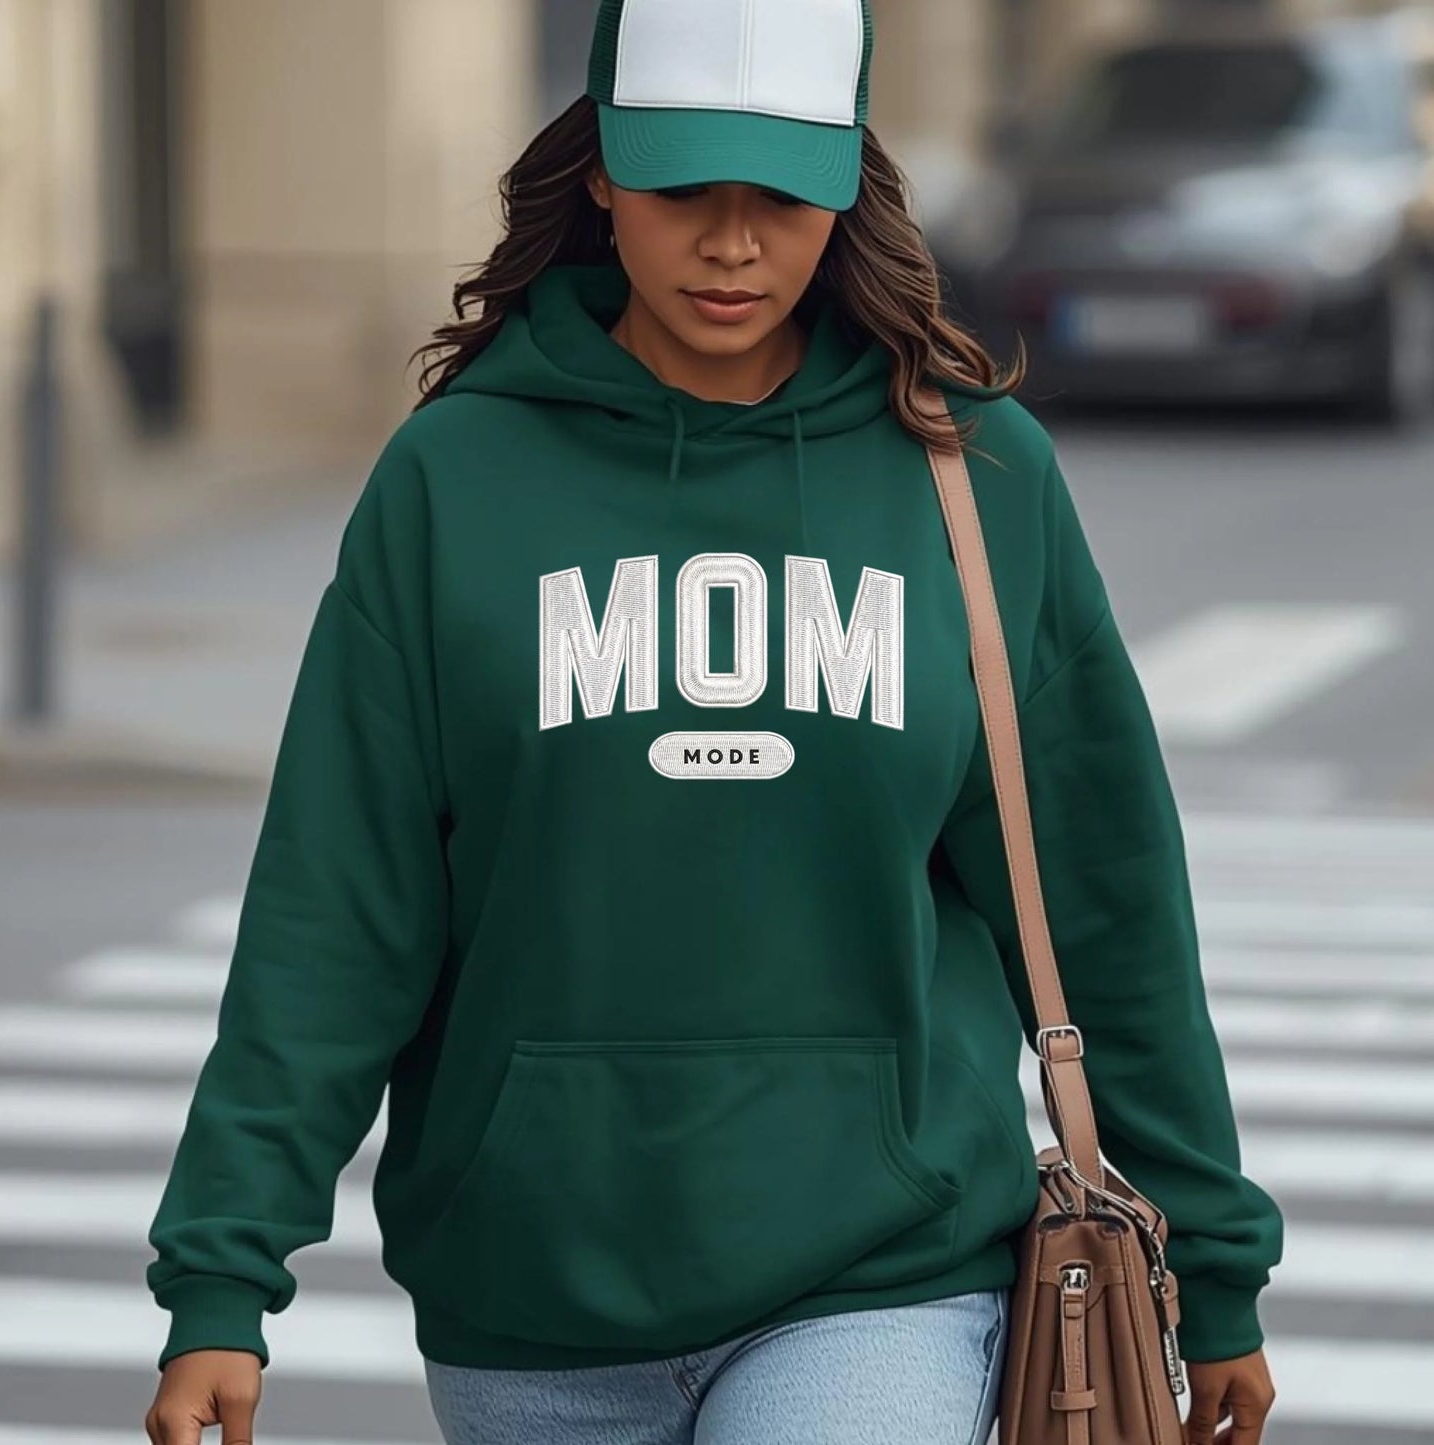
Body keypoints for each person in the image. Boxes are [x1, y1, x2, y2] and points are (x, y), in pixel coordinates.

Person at [142, 1, 1283, 1442]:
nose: (732, 245)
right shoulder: (457, 477)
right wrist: (222, 1275)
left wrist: (1215, 1251)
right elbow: (339, 900)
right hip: (532, 1287)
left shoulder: (972, 473)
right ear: (604, 173)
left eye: (781, 198)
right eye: (685, 190)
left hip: (881, 1267)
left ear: (844, 188)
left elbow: (1101, 886)